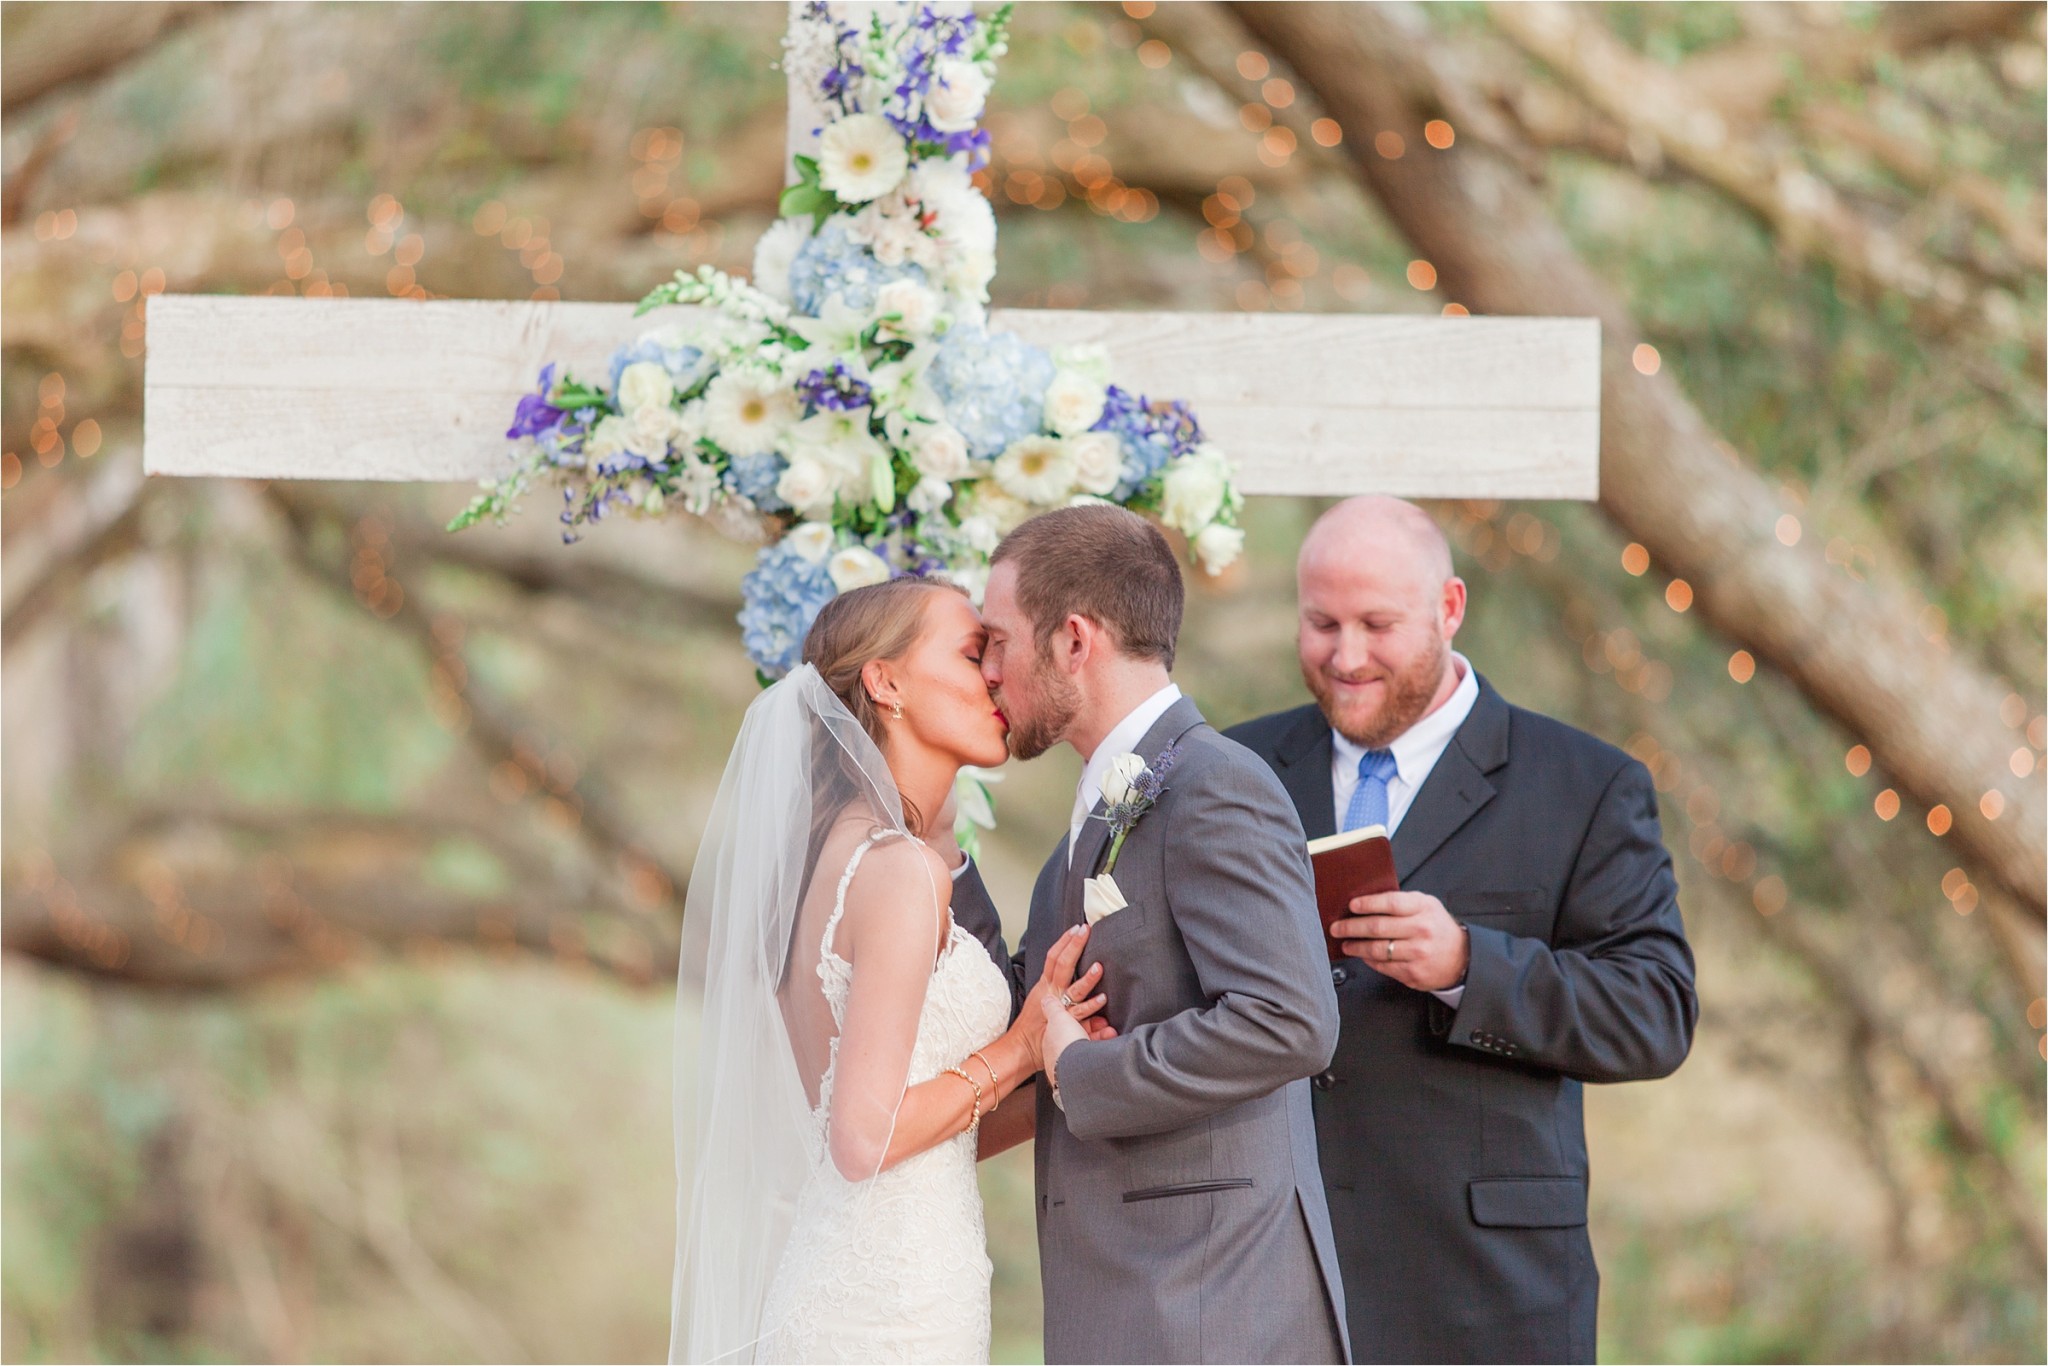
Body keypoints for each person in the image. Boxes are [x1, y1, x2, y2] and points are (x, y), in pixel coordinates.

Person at [1225, 496, 1699, 1364]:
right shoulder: (1237, 773)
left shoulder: (1586, 785)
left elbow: (1656, 1012)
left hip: (1489, 1293)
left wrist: (1467, 965)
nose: (1346, 655)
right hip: (1267, 1279)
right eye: (1321, 623)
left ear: (1449, 609)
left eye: (1377, 623)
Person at [670, 577, 1110, 1365]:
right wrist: (1015, 1047)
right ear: (886, 680)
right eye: (975, 653)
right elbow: (863, 1136)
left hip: (891, 1279)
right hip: (886, 1313)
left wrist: (1068, 1061)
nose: (996, 677)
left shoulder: (837, 855)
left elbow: (922, 1136)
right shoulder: (900, 870)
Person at [959, 504, 1351, 1364]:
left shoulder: (1216, 787)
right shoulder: (1100, 812)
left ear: (1072, 641)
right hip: (1136, 1300)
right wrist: (933, 841)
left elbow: (1291, 1018)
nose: (987, 670)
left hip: (1212, 1306)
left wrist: (1081, 1068)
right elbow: (1029, 1005)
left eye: (995, 640)